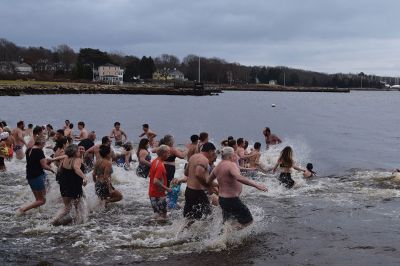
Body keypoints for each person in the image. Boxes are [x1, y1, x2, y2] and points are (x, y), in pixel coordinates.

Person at [207, 146, 267, 229]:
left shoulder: (217, 167)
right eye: (234, 154)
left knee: (228, 222)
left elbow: (208, 182)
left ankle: (225, 238)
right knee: (248, 221)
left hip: (222, 199)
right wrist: (257, 185)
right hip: (232, 200)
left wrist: (218, 185)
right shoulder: (231, 165)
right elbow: (239, 178)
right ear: (231, 155)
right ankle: (231, 236)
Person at [52, 144, 88, 225]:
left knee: (67, 208)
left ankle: (53, 220)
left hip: (64, 185)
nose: (79, 151)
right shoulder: (77, 159)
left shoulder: (65, 158)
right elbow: (76, 168)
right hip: (74, 186)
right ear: (75, 152)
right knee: (78, 206)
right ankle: (79, 223)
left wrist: (51, 159)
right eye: (78, 150)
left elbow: (60, 165)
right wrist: (84, 177)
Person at [18, 135, 55, 214]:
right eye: (44, 144)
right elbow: (44, 166)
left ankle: (37, 213)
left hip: (30, 176)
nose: (44, 145)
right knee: (42, 201)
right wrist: (53, 170)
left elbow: (35, 161)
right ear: (41, 143)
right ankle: (23, 209)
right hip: (37, 176)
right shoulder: (39, 151)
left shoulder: (29, 150)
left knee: (38, 199)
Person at [181, 142, 218, 221]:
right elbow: (198, 174)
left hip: (189, 190)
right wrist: (207, 186)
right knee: (208, 216)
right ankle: (203, 233)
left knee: (189, 217)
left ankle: (184, 232)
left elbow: (186, 173)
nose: (213, 154)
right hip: (197, 192)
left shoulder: (193, 157)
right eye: (213, 152)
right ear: (210, 151)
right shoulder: (204, 159)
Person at [148, 145, 171, 220]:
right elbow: (156, 181)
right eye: (168, 152)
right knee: (163, 216)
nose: (169, 154)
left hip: (152, 193)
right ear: (163, 153)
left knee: (157, 215)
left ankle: (153, 228)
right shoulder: (160, 165)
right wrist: (166, 188)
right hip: (159, 194)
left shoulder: (155, 161)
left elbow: (150, 175)